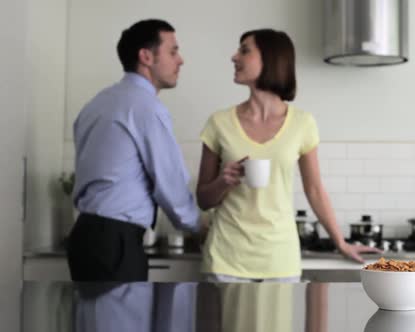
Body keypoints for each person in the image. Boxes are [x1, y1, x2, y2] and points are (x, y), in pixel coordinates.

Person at [196, 28, 380, 282]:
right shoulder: (219, 123)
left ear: (270, 59)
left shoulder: (302, 124)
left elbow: (314, 190)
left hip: (279, 260)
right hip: (225, 260)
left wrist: (341, 242)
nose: (234, 57)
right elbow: (203, 199)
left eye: (244, 50)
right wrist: (222, 182)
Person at [66, 19, 200, 282]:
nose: (181, 60)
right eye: (173, 51)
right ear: (146, 56)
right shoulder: (146, 108)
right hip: (115, 242)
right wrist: (200, 226)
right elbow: (169, 183)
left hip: (84, 237)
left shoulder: (97, 103)